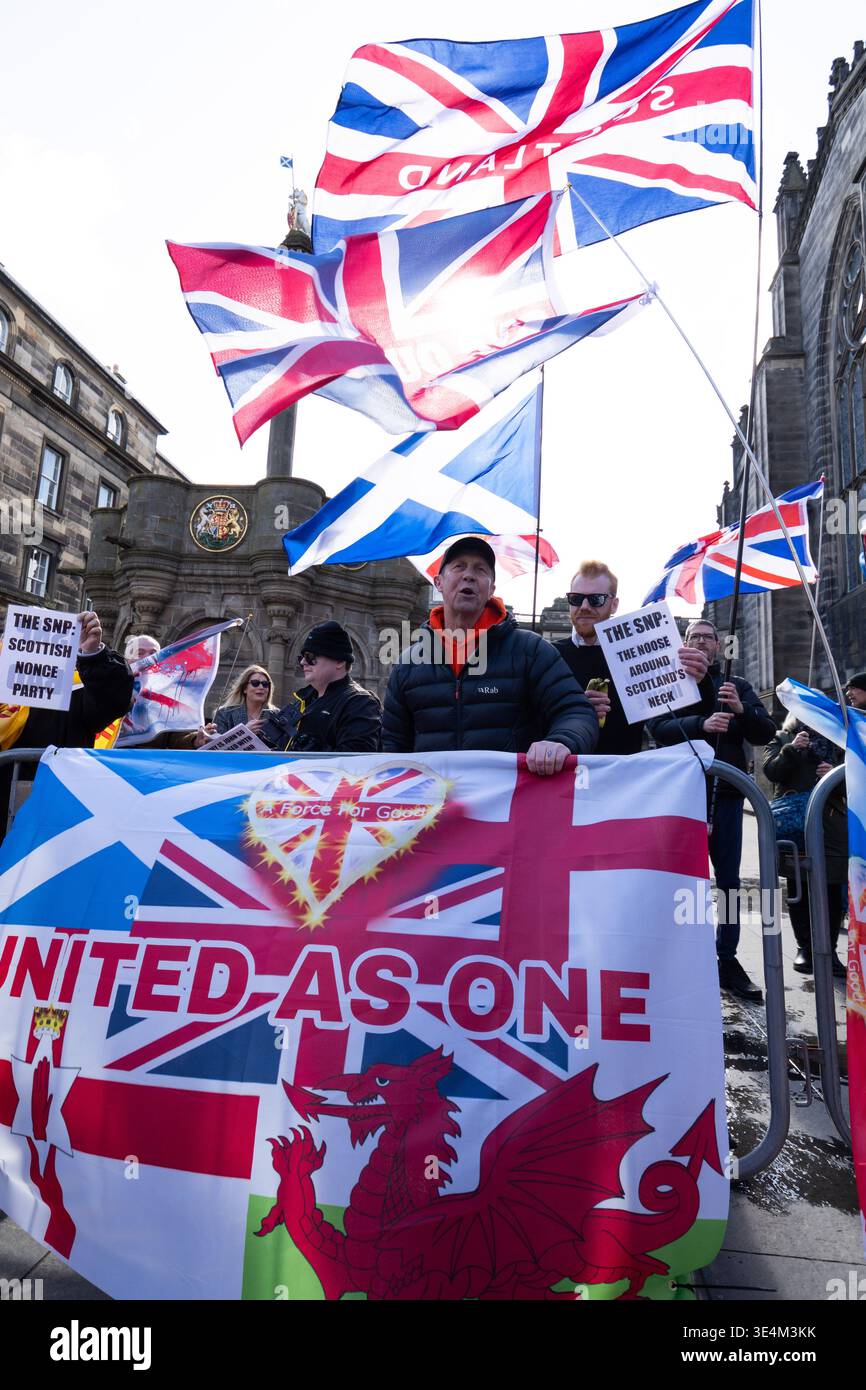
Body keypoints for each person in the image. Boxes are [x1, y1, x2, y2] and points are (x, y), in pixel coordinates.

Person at [382, 537, 598, 771]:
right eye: (459, 566)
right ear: (439, 582)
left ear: (491, 589)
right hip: (433, 802)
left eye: (480, 569)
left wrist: (560, 741)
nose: (469, 575)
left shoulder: (531, 651)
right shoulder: (407, 663)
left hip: (508, 802)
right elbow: (392, 745)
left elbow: (577, 711)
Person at [647, 618, 776, 1003]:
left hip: (728, 797)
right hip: (683, 797)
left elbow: (765, 732)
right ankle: (682, 957)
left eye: (708, 637)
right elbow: (658, 728)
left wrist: (741, 710)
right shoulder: (672, 681)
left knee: (730, 883)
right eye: (694, 637)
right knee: (683, 883)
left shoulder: (736, 685)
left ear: (719, 646)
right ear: (684, 643)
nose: (701, 642)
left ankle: (727, 958)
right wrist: (701, 723)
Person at [554, 560, 709, 754]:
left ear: (614, 605)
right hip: (565, 775)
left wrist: (698, 682)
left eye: (596, 599)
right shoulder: (550, 655)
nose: (584, 606)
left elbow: (668, 724)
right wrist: (577, 710)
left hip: (623, 775)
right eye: (576, 598)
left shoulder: (642, 655)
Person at [0, 610, 133, 830]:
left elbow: (114, 700)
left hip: (37, 834)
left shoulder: (72, 692)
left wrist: (93, 655)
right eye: (24, 643)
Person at [764, 714, 847, 978]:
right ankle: (805, 948)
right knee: (798, 887)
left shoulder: (839, 740)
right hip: (793, 824)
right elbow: (771, 771)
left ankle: (829, 950)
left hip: (830, 823)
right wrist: (792, 749)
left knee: (832, 887)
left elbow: (857, 777)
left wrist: (835, 775)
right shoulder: (782, 738)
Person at [257, 622, 381, 753]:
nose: (303, 662)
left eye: (310, 657)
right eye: (302, 657)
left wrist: (311, 751)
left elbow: (356, 762)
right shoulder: (304, 698)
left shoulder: (361, 702)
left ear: (340, 661)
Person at [195, 665, 278, 746]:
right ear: (245, 688)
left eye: (265, 684)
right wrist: (244, 732)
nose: (261, 687)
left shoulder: (277, 716)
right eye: (255, 683)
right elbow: (218, 748)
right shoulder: (224, 714)